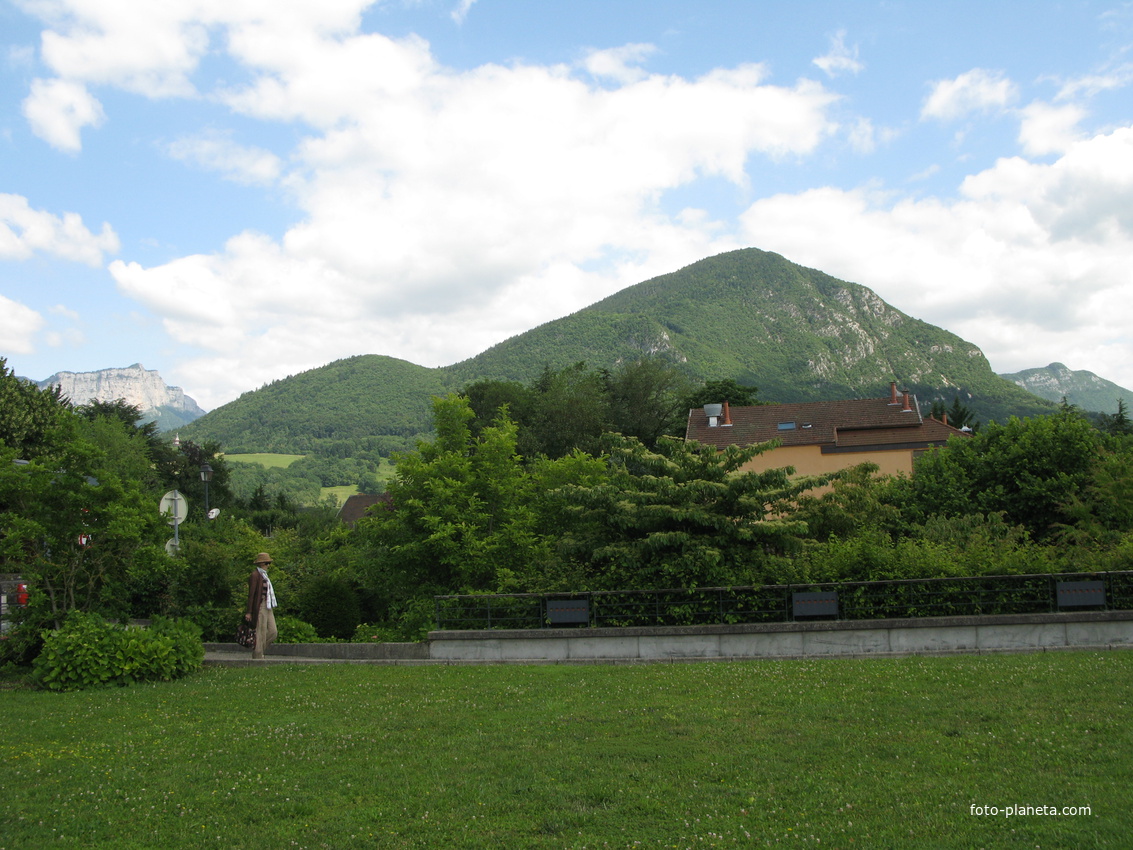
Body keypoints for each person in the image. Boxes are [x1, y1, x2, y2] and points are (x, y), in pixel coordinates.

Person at [245, 552, 279, 660]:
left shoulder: (264, 575)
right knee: (261, 631)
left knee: (273, 631)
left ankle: (258, 651)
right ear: (262, 564)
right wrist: (249, 611)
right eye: (267, 563)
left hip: (268, 605)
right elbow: (251, 594)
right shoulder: (255, 575)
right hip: (260, 606)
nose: (269, 565)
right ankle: (258, 656)